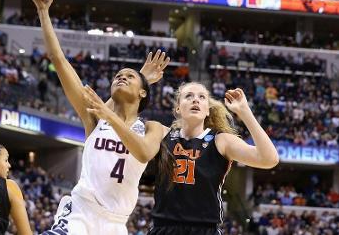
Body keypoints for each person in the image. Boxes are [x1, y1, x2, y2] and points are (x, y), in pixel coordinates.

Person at [25, 0, 169, 235]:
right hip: (81, 212)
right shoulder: (94, 117)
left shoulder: (150, 127)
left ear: (144, 91)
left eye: (129, 76)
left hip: (115, 223)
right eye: (117, 76)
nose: (121, 78)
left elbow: (145, 153)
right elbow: (59, 60)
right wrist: (43, 11)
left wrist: (139, 81)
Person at [84, 82, 279, 235]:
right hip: (163, 227)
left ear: (207, 109)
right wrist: (109, 113)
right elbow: (136, 142)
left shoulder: (221, 141)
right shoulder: (161, 133)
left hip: (205, 229)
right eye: (189, 96)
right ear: (177, 108)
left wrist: (245, 112)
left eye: (202, 97)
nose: (196, 100)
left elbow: (269, 159)